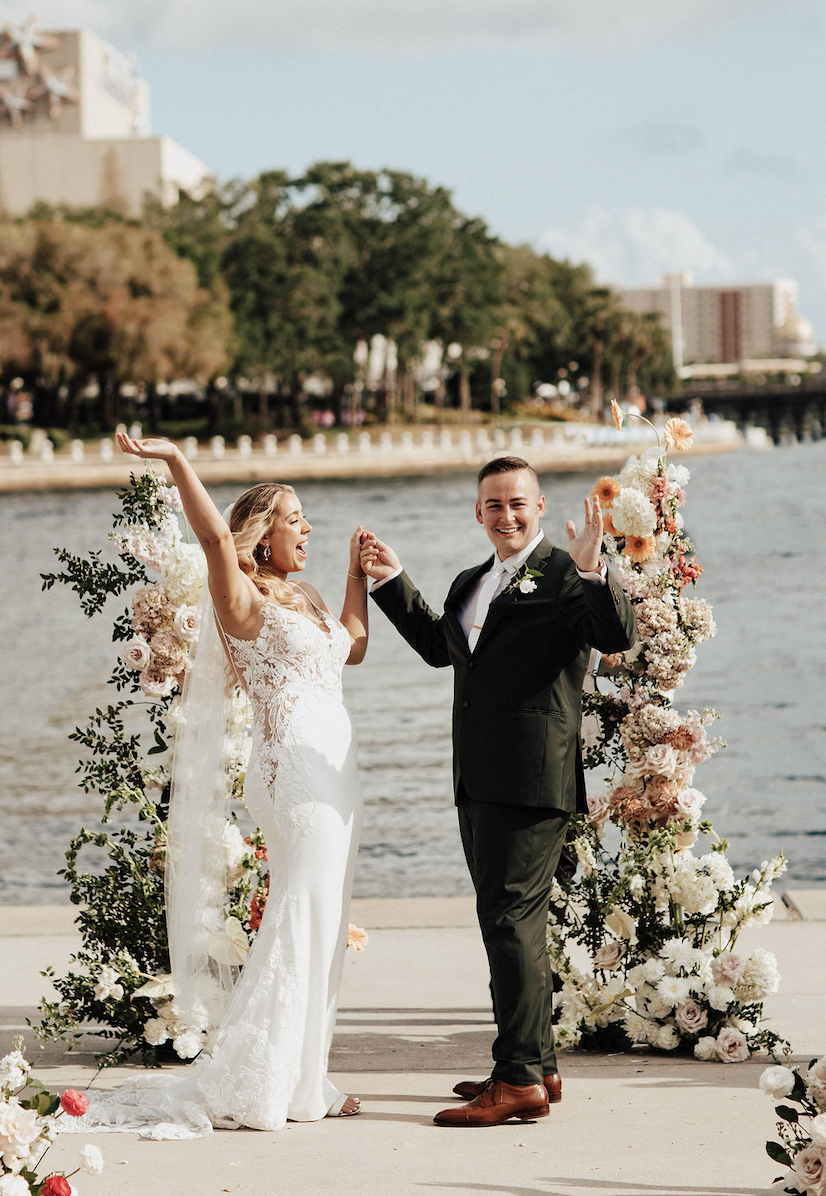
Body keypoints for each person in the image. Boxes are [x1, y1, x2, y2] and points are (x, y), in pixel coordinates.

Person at [67, 432, 369, 1138]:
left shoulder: (307, 594)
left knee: (326, 922)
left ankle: (304, 1079)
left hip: (338, 772)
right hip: (292, 770)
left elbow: (350, 644)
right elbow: (210, 538)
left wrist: (360, 575)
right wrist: (175, 461)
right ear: (263, 536)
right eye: (295, 519)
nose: (308, 529)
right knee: (301, 914)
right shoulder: (242, 600)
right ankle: (267, 1080)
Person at [360, 456, 636, 1128]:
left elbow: (616, 635)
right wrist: (392, 580)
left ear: (540, 507)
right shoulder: (471, 581)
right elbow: (438, 647)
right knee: (515, 926)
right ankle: (535, 1064)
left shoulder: (568, 574)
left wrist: (595, 567)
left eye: (518, 503)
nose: (506, 516)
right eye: (493, 505)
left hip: (532, 779)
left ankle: (515, 1081)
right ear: (477, 513)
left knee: (509, 924)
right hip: (479, 777)